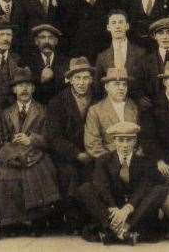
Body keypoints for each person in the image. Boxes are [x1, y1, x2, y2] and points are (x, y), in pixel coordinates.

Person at [0, 68, 60, 239]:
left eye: (28, 85)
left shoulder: (44, 111)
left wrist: (32, 140)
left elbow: (51, 139)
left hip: (37, 154)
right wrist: (10, 151)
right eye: (20, 86)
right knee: (3, 176)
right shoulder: (6, 113)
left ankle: (35, 220)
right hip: (12, 156)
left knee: (34, 173)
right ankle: (10, 221)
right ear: (14, 90)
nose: (24, 89)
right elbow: (2, 139)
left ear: (33, 89)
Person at [77, 121, 168, 244]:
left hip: (135, 211)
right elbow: (102, 186)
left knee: (160, 189)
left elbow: (143, 189)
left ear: (135, 141)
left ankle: (124, 229)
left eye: (128, 140)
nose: (124, 145)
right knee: (85, 188)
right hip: (112, 211)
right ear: (114, 141)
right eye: (120, 140)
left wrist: (127, 209)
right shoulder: (103, 160)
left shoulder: (145, 162)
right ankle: (119, 231)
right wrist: (113, 208)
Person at [46, 58, 98, 233]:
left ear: (91, 79)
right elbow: (53, 137)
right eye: (77, 78)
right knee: (69, 173)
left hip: (94, 151)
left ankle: (92, 218)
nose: (82, 82)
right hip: (67, 154)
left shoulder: (99, 98)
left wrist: (93, 151)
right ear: (70, 80)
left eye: (85, 78)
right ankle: (73, 218)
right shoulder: (57, 102)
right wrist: (77, 154)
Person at [84, 67, 140, 159]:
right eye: (117, 84)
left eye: (124, 84)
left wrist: (135, 157)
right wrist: (113, 161)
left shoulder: (133, 106)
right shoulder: (95, 110)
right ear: (107, 87)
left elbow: (142, 138)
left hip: (134, 160)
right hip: (108, 162)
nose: (121, 88)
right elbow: (92, 145)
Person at [94, 10, 151, 100]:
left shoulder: (141, 53)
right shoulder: (102, 57)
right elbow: (97, 88)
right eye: (114, 23)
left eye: (121, 22)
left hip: (135, 104)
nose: (117, 26)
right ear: (108, 27)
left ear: (127, 26)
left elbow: (147, 82)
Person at [25, 23, 69, 103]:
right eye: (42, 37)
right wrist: (40, 79)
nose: (47, 41)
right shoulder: (28, 62)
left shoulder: (65, 62)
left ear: (56, 41)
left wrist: (53, 77)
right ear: (36, 41)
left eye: (51, 37)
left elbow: (66, 87)